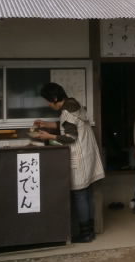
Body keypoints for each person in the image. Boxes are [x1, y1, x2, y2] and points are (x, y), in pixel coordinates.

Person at [35, 82, 105, 243]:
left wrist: (49, 136)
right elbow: (68, 126)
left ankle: (85, 234)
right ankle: (90, 230)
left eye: (48, 100)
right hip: (88, 154)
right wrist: (47, 124)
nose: (48, 104)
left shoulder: (67, 112)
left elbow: (70, 136)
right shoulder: (73, 103)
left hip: (79, 156)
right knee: (86, 192)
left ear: (54, 98)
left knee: (80, 194)